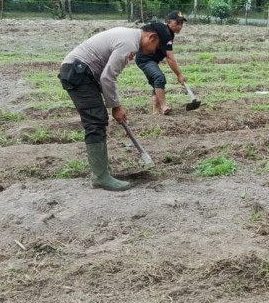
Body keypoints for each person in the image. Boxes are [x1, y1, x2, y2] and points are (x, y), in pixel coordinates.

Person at [59, 22, 172, 191]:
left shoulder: (129, 36)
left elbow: (105, 75)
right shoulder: (129, 43)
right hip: (78, 73)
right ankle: (100, 176)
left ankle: (102, 172)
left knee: (97, 119)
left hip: (82, 72)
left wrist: (114, 105)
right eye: (156, 47)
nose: (155, 51)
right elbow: (107, 77)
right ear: (151, 36)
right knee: (95, 121)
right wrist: (116, 106)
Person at [135, 10, 188, 115]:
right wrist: (179, 75)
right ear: (169, 22)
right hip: (145, 59)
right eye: (177, 23)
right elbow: (170, 57)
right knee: (159, 78)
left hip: (151, 60)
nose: (180, 26)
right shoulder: (165, 33)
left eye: (182, 24)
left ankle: (155, 112)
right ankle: (163, 106)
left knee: (157, 82)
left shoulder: (169, 34)